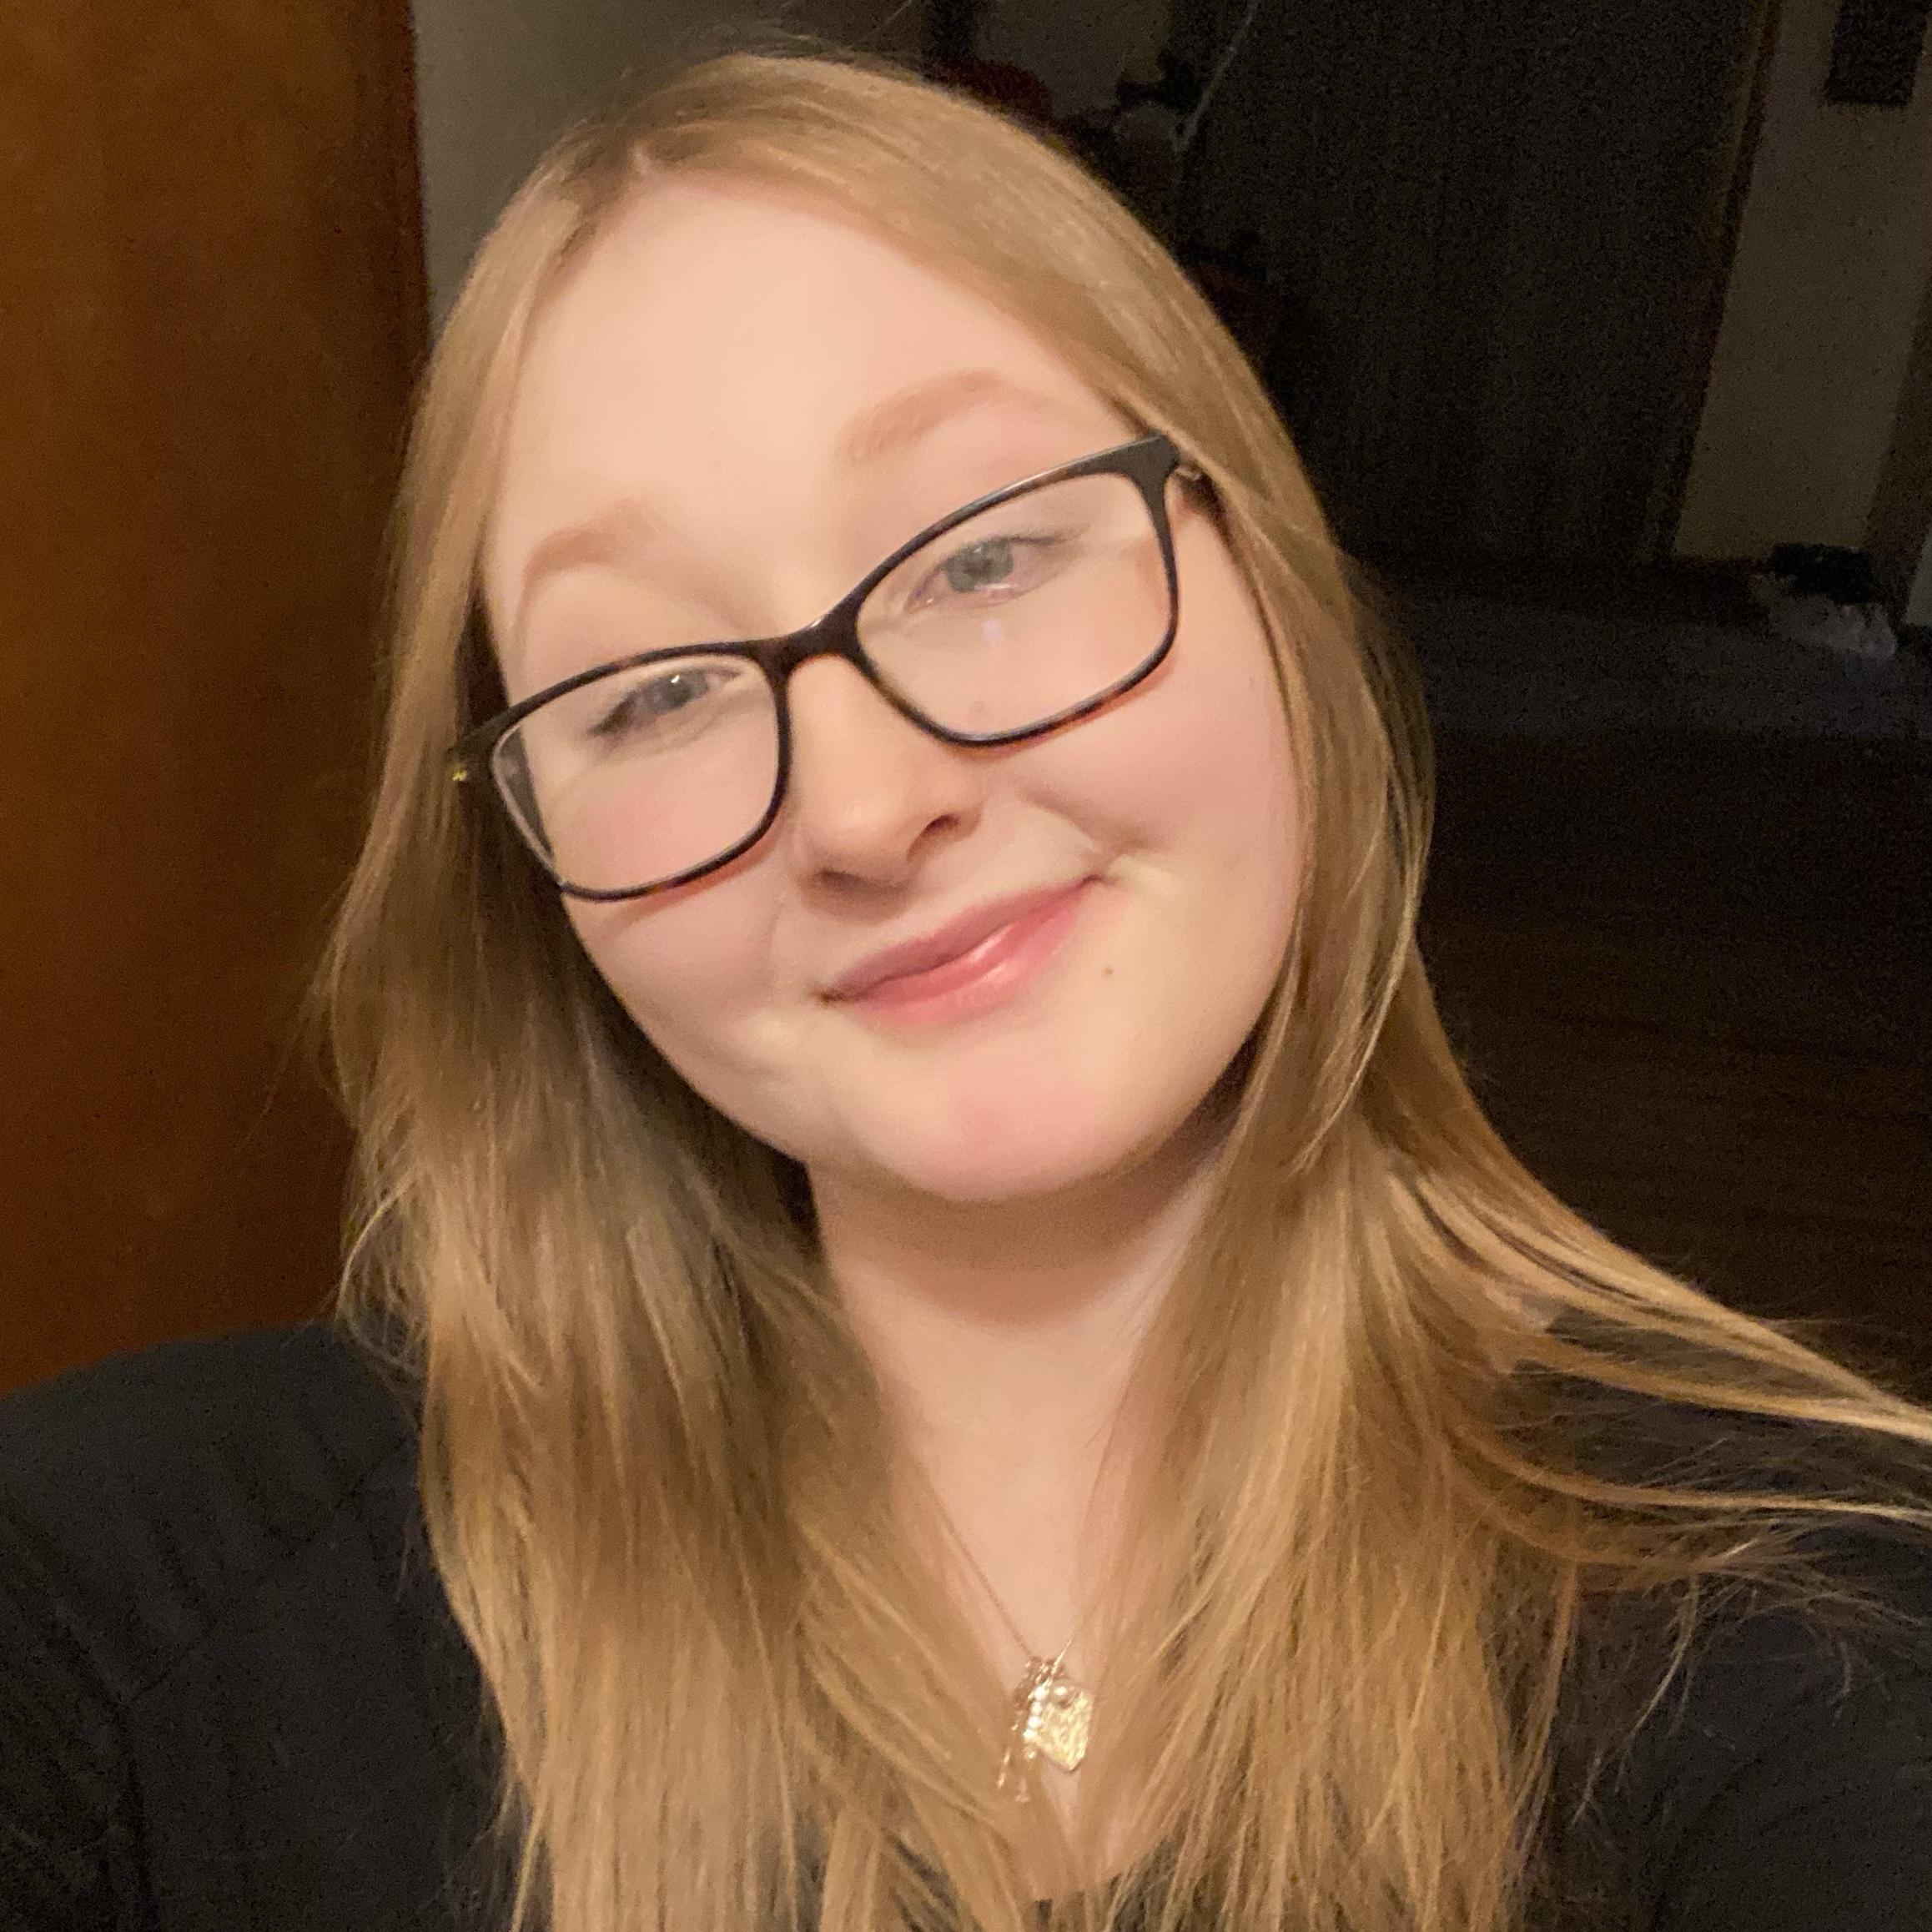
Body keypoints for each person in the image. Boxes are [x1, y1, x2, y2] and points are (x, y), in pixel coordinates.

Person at [3, 48, 1931, 1932]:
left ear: (1270, 576)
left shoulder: (1813, 1623)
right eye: (652, 692)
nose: (862, 806)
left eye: (986, 554)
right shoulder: (124, 1615)